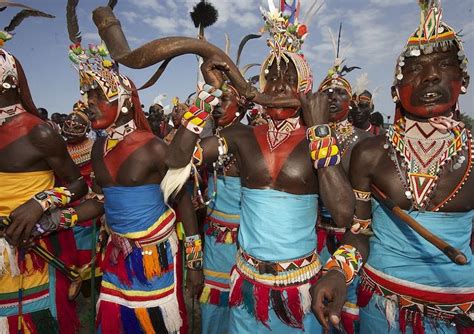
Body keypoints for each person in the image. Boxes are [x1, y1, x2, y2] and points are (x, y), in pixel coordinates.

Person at [165, 2, 354, 332]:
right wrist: (207, 95)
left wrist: (319, 129)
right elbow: (178, 160)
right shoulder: (241, 136)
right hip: (247, 286)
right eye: (272, 77)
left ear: (305, 86)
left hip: (301, 289)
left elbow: (342, 215)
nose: (279, 86)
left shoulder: (320, 139)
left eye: (289, 77)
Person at [311, 1, 473, 333]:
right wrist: (338, 272)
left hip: (460, 310)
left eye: (444, 65)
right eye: (414, 69)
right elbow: (360, 234)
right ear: (395, 91)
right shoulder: (370, 154)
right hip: (380, 308)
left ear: (463, 81)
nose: (430, 75)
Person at [66, 41, 203, 333]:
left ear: (125, 100)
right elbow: (101, 200)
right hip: (116, 257)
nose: (89, 104)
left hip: (156, 258)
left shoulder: (152, 147)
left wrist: (195, 264)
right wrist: (59, 218)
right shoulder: (99, 147)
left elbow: (183, 204)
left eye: (99, 96)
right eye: (87, 97)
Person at [0, 40, 87, 332]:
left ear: (9, 81)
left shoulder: (39, 131)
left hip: (33, 254)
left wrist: (40, 203)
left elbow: (78, 185)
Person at [199, 83, 249, 333]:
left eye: (225, 100)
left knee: (241, 297)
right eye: (215, 100)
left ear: (240, 105)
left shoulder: (248, 138)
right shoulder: (209, 139)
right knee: (214, 296)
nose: (218, 105)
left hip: (244, 238)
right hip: (214, 238)